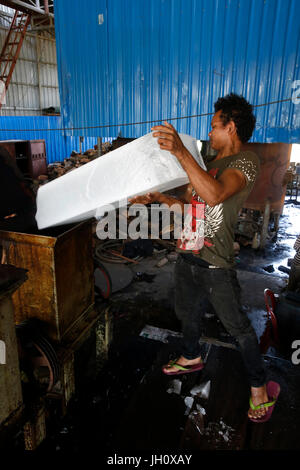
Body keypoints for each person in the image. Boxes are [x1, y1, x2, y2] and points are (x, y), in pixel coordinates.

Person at [130, 93, 280, 423]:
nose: (209, 132)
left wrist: (182, 153)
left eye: (214, 126)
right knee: (187, 312)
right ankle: (190, 355)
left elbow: (213, 195)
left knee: (237, 327)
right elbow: (188, 206)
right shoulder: (209, 165)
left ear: (232, 126)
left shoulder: (246, 162)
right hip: (188, 254)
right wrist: (157, 197)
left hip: (216, 263)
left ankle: (258, 388)